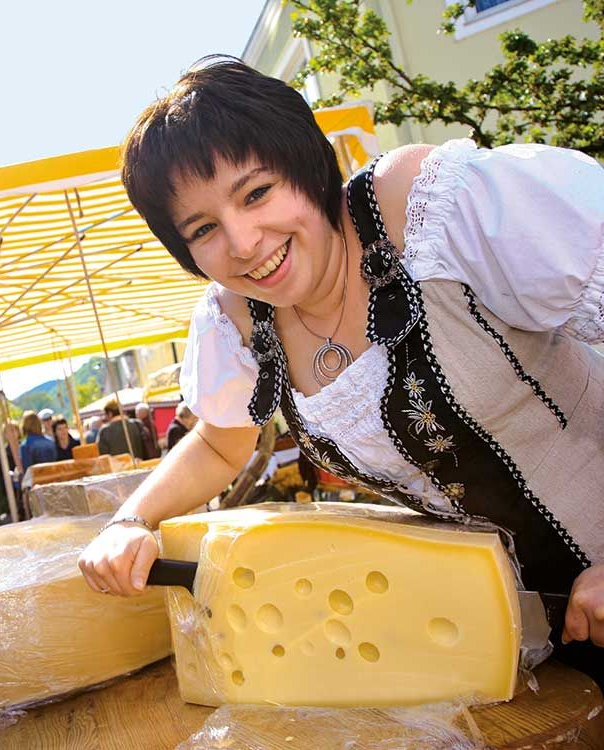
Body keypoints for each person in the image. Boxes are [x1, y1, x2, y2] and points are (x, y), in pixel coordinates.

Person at [78, 58, 604, 683]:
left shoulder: (423, 206)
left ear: (307, 166)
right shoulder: (236, 320)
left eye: (257, 192)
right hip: (528, 645)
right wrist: (130, 520)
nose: (244, 242)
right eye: (204, 228)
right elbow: (222, 445)